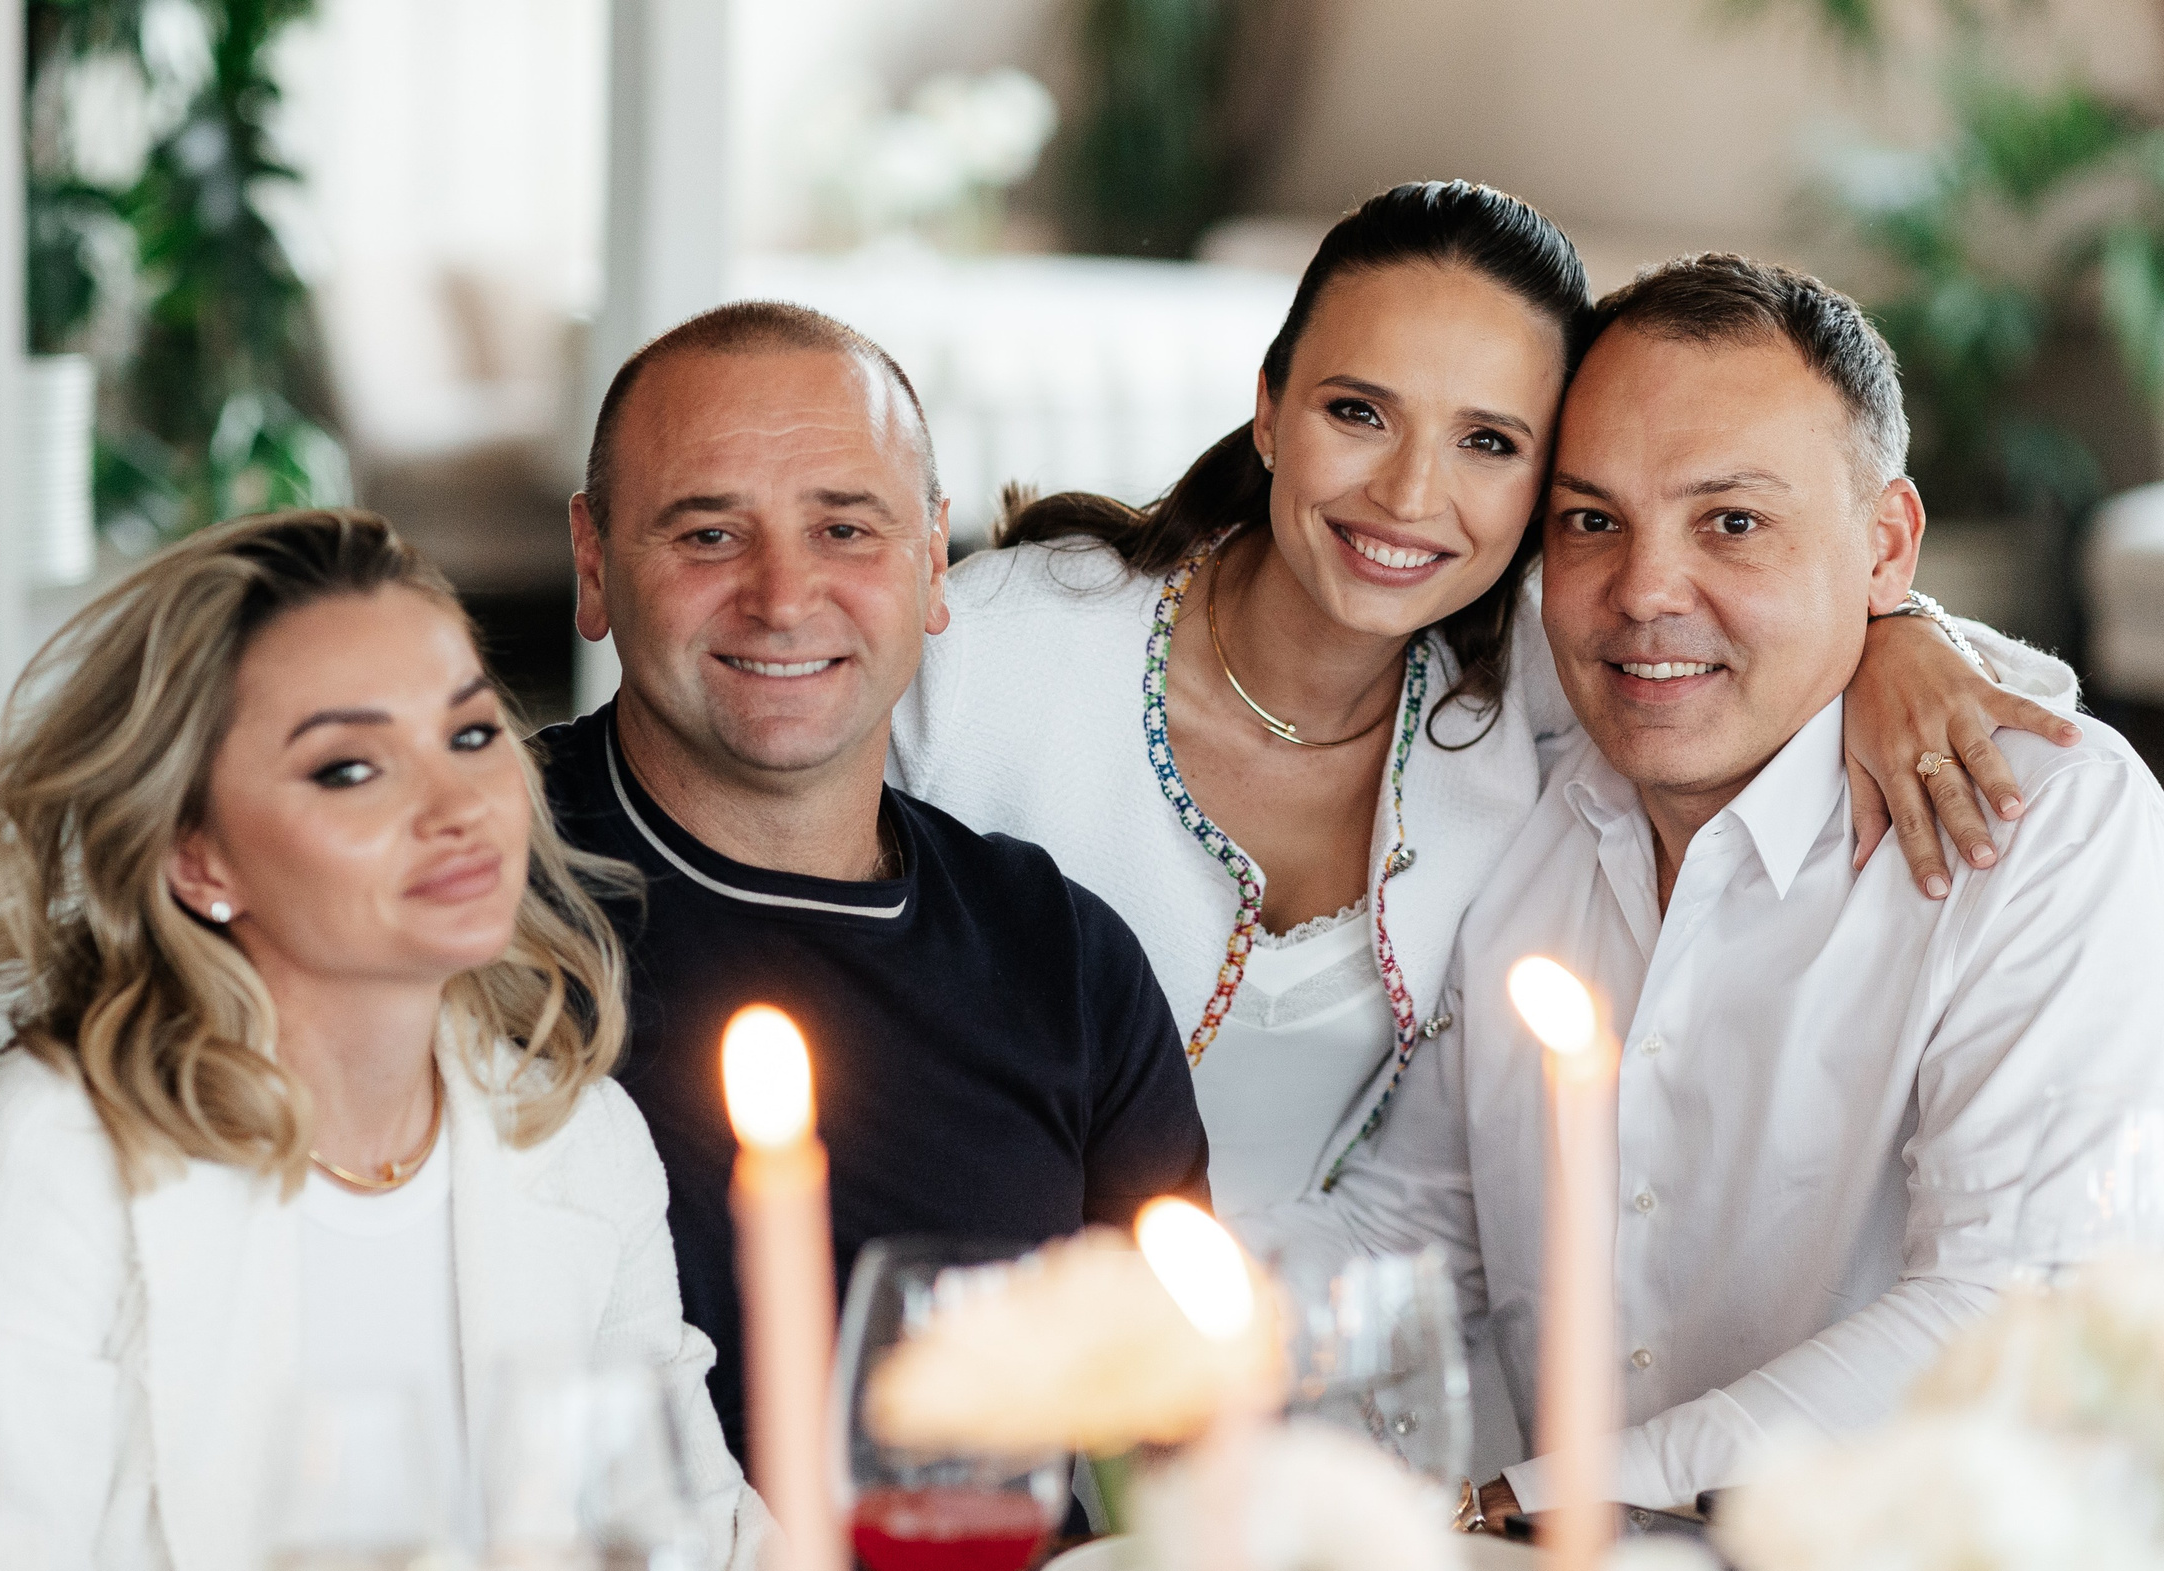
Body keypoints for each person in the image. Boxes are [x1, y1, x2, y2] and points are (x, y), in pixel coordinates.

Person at [0, 512, 767, 1571]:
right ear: (198, 860)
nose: (458, 804)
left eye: (470, 731)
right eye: (349, 768)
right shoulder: (65, 1159)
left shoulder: (571, 1138)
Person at [890, 181, 2080, 1219]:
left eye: (1489, 444)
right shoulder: (1000, 649)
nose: (1410, 495)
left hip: (1332, 1384)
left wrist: (1895, 633)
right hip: (961, 1346)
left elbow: (2015, 708)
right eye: (1357, 412)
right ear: (1267, 408)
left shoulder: (1536, 676)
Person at [1244, 253, 2164, 1522]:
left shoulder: (2047, 824)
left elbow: (2004, 1307)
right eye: (1590, 522)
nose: (1643, 595)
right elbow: (1423, 1231)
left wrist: (1523, 1504)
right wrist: (1144, 1328)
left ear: (1886, 543)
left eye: (1731, 522)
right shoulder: (1530, 800)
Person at [546, 300, 1214, 1480]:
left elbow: (1180, 1443)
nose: (783, 596)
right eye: (706, 536)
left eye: (847, 530)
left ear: (932, 561)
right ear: (593, 565)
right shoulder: (467, 894)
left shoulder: (1060, 958)